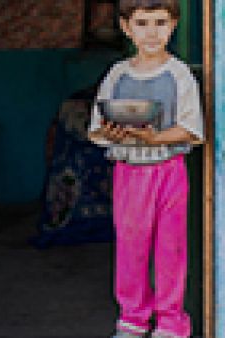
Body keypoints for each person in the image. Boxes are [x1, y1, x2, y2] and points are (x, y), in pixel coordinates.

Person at [87, 1, 204, 337]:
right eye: (142, 23)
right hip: (128, 171)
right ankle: (133, 320)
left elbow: (191, 130)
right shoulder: (118, 75)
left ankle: (171, 322)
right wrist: (112, 132)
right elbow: (99, 127)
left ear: (173, 25)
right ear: (126, 27)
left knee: (170, 248)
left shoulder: (179, 75)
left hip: (169, 169)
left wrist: (155, 139)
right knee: (131, 247)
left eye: (160, 23)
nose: (151, 32)